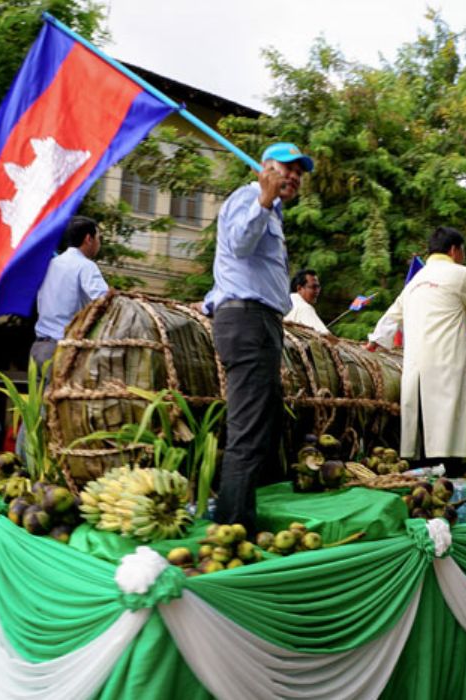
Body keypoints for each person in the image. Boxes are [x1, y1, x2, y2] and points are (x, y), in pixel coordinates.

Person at [203, 142, 313, 531]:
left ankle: (239, 514)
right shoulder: (249, 198)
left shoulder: (273, 213)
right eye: (287, 167)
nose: (295, 176)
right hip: (245, 319)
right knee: (248, 428)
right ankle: (233, 528)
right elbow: (238, 243)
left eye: (299, 171)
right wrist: (263, 202)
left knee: (259, 425)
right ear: (263, 170)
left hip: (263, 321)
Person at [366, 227, 466, 470]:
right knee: (448, 418)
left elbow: (390, 317)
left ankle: (425, 469)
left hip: (415, 363)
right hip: (447, 359)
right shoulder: (461, 274)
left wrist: (374, 341)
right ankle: (450, 470)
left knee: (421, 420)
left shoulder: (415, 282)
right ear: (454, 250)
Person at [31, 216, 109, 366]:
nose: (99, 243)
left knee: (39, 390)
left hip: (40, 348)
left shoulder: (50, 264)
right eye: (99, 237)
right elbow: (105, 302)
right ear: (88, 238)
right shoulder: (86, 266)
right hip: (64, 350)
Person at [283, 269, 329, 334]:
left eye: (318, 287)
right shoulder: (304, 308)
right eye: (314, 287)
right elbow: (326, 336)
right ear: (299, 288)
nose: (317, 291)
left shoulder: (284, 301)